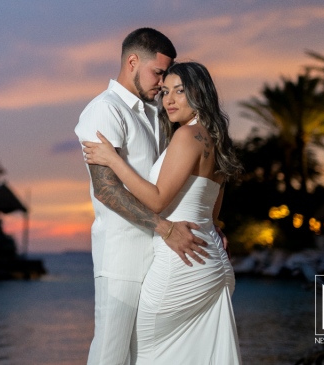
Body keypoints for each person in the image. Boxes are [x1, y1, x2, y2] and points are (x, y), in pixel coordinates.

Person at [83, 61, 243, 364]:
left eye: (179, 91)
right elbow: (213, 212)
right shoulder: (219, 141)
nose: (168, 100)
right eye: (165, 91)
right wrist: (214, 228)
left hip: (182, 262)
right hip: (212, 263)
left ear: (199, 93)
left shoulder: (188, 136)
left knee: (144, 352)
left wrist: (113, 160)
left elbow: (157, 201)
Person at [75, 29, 209, 365]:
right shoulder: (104, 110)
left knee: (145, 357)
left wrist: (209, 223)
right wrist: (165, 228)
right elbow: (106, 190)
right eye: (158, 73)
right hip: (121, 259)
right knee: (111, 355)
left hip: (159, 258)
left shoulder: (154, 112)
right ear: (132, 61)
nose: (163, 84)